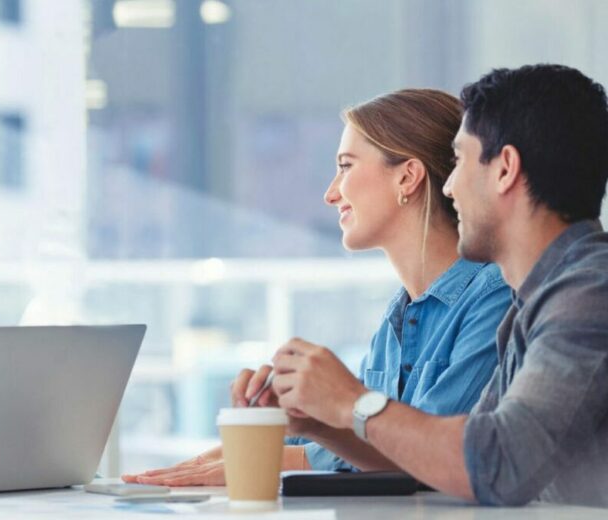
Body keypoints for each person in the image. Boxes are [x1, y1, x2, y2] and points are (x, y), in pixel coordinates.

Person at [123, 89, 511, 486]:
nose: (331, 193)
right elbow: (381, 447)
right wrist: (296, 424)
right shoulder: (397, 320)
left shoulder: (494, 298)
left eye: (346, 166)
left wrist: (285, 455)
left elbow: (431, 457)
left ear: (408, 177)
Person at [267, 64, 608, 507]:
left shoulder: (588, 294)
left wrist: (353, 402)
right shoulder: (536, 302)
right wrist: (319, 422)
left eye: (461, 161)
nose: (447, 186)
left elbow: (498, 462)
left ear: (505, 169)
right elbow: (452, 456)